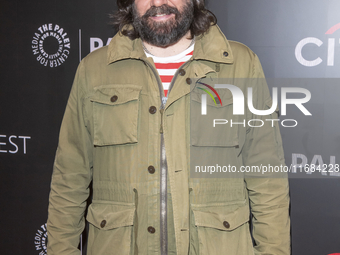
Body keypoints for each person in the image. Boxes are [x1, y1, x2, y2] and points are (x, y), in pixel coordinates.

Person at [47, 0, 290, 254]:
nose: (158, 3)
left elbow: (267, 179)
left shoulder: (240, 64)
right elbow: (69, 178)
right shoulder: (94, 70)